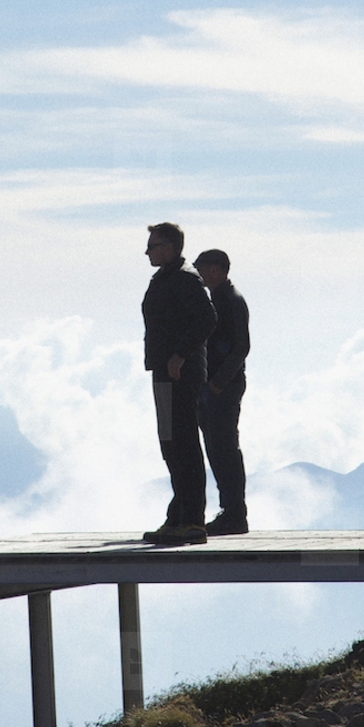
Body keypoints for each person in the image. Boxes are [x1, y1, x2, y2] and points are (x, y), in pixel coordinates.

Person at [140, 221, 217, 546]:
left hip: (180, 376)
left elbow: (207, 318)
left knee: (183, 444)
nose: (147, 252)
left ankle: (193, 521)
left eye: (153, 245)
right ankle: (178, 515)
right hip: (164, 374)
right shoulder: (167, 278)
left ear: (169, 248)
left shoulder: (184, 278)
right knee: (171, 444)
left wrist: (180, 356)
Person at [193, 249, 250, 535]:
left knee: (224, 447)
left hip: (222, 387)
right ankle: (229, 511)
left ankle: (234, 513)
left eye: (201, 267)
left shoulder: (230, 300)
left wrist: (217, 383)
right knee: (216, 447)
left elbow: (241, 347)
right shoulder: (220, 299)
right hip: (214, 386)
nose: (198, 272)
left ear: (216, 270)